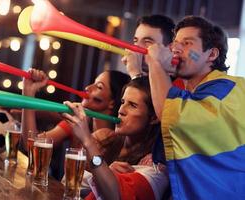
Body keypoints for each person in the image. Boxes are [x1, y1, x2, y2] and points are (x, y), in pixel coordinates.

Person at [145, 15, 245, 200]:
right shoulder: (200, 92)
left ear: (212, 55)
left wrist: (155, 64)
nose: (175, 49)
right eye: (175, 43)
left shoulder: (227, 88)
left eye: (187, 43)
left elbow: (174, 117)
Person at [63, 77, 169, 200]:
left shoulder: (155, 165)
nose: (121, 110)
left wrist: (87, 141)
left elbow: (115, 195)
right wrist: (106, 172)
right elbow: (67, 181)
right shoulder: (106, 140)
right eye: (123, 102)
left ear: (154, 118)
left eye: (132, 105)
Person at [21, 69, 130, 150]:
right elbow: (31, 145)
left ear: (112, 102)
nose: (87, 88)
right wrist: (28, 92)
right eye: (93, 83)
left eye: (99, 87)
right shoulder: (78, 122)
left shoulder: (114, 139)